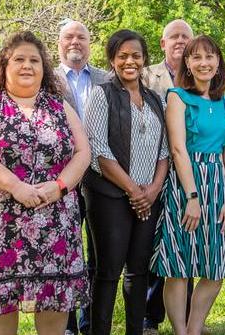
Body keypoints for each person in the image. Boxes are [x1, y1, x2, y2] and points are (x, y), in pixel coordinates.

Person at [0, 31, 92, 335]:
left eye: (34, 60)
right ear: (4, 66)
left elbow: (83, 153)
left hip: (54, 222)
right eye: (19, 59)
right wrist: (15, 185)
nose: (27, 65)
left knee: (54, 305)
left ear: (44, 68)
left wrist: (59, 186)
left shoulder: (60, 107)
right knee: (0, 307)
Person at [83, 30, 170, 335]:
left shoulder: (155, 99)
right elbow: (98, 149)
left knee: (139, 271)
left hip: (148, 197)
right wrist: (134, 190)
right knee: (107, 272)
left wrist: (153, 190)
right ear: (112, 60)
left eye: (136, 55)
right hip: (110, 196)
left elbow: (164, 151)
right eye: (122, 56)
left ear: (144, 59)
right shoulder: (101, 94)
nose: (129, 61)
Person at [151, 35, 225, 335]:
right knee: (179, 265)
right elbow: (177, 149)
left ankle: (194, 328)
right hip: (185, 184)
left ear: (218, 62)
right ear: (187, 63)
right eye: (196, 57)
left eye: (210, 56)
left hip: (218, 184)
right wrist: (192, 196)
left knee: (216, 265)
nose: (204, 62)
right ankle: (180, 331)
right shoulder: (177, 97)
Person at [141, 19, 195, 335]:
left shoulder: (200, 76)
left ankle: (185, 317)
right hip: (153, 171)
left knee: (183, 244)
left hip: (189, 173)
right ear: (163, 43)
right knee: (152, 244)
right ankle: (150, 315)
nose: (179, 41)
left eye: (184, 36)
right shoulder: (147, 76)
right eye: (173, 36)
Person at [57, 19, 109, 335]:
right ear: (59, 43)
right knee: (65, 252)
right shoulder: (44, 77)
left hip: (100, 177)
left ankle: (92, 323)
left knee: (97, 252)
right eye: (69, 37)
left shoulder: (106, 78)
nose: (76, 42)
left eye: (82, 37)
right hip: (62, 178)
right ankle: (67, 325)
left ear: (90, 43)